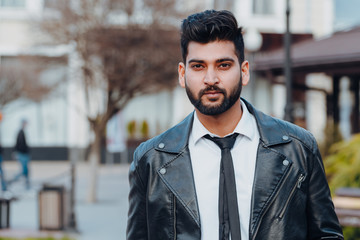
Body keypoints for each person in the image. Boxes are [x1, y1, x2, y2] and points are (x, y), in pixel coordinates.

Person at [127, 10, 343, 240]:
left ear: (244, 71)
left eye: (223, 65)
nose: (211, 79)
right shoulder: (151, 159)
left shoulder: (298, 147)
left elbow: (326, 235)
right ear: (182, 74)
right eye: (198, 66)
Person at [12, 119, 30, 189]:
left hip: (24, 153)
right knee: (24, 170)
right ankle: (13, 180)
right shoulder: (20, 132)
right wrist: (16, 152)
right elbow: (18, 144)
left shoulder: (22, 132)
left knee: (26, 170)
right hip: (22, 154)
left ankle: (27, 184)